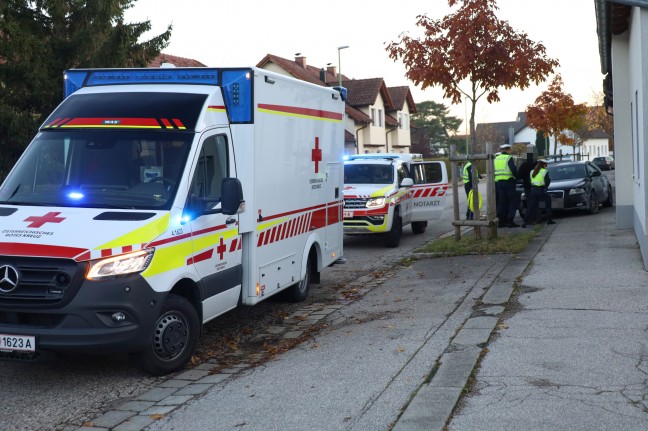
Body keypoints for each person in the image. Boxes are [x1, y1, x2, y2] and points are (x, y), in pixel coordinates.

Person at [523, 159, 555, 227]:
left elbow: (529, 181)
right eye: (546, 164)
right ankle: (549, 220)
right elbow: (547, 182)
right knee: (548, 204)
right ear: (543, 164)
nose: (546, 166)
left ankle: (524, 223)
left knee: (530, 207)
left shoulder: (532, 172)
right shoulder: (545, 171)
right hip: (541, 190)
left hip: (533, 191)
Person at [494, 143, 519, 228]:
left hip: (499, 183)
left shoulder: (496, 159)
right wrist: (517, 177)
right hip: (509, 182)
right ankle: (510, 221)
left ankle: (501, 222)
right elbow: (513, 170)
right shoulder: (509, 158)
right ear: (508, 149)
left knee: (502, 202)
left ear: (501, 150)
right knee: (512, 201)